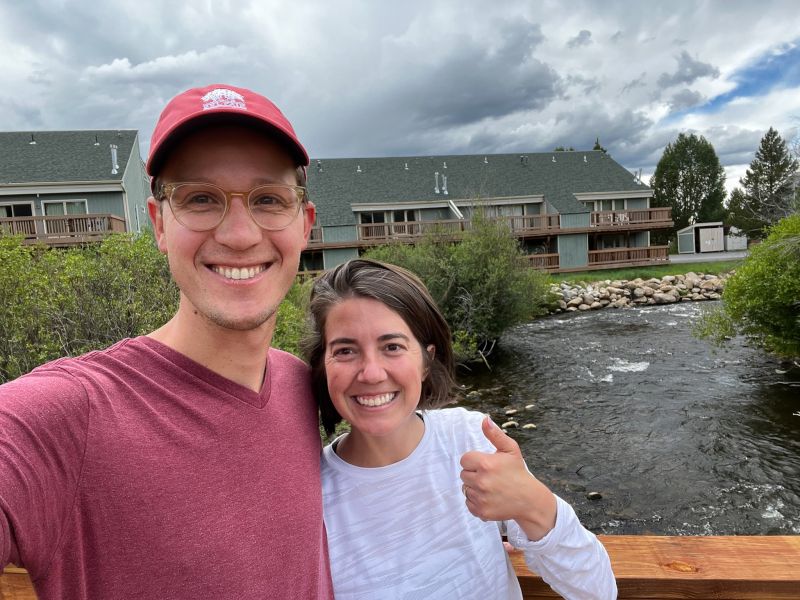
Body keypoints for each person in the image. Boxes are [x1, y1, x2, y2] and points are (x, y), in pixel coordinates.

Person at [0, 84, 333, 599]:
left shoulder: (298, 382)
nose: (241, 234)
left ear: (304, 224)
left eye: (270, 199)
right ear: (158, 224)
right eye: (200, 198)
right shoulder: (68, 415)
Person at [303, 258, 617, 599]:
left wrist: (534, 506)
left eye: (392, 347)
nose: (372, 373)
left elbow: (597, 591)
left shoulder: (471, 439)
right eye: (346, 350)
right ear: (323, 365)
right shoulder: (306, 495)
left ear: (426, 360)